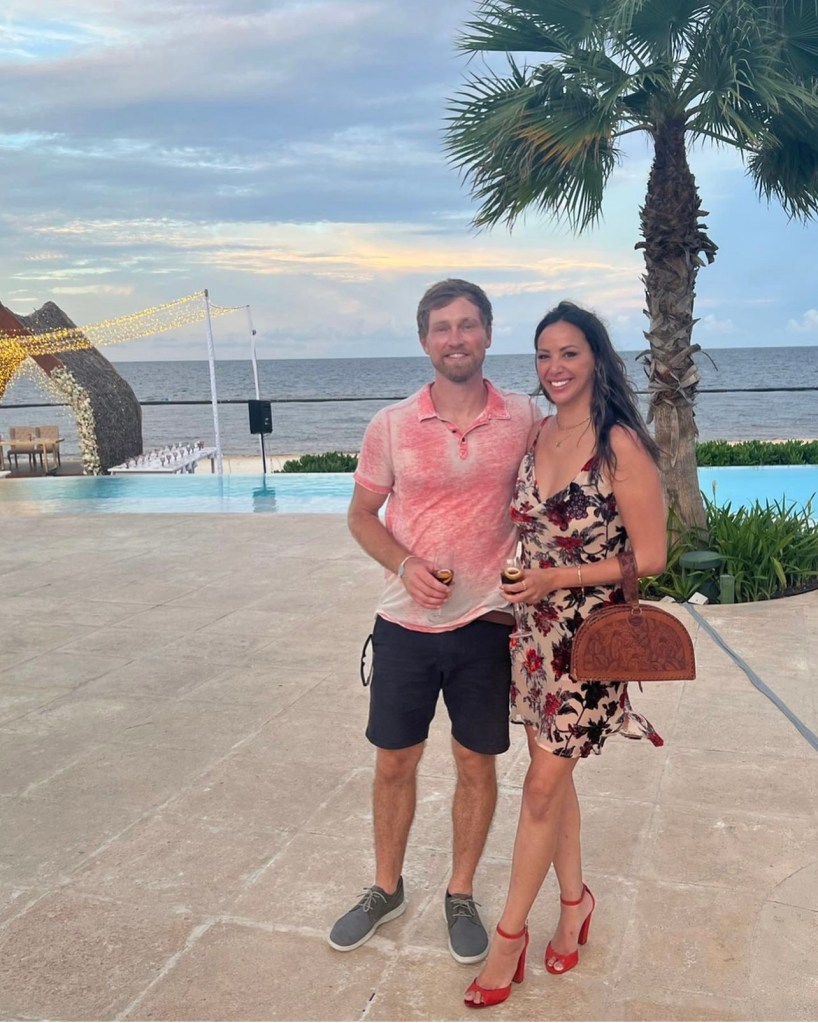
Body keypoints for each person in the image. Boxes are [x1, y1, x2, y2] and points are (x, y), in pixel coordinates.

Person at [328, 279, 539, 965]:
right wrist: (404, 562)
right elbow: (362, 516)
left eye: (469, 325)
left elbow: (566, 474)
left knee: (476, 761)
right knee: (395, 760)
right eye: (443, 327)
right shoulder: (391, 425)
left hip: (486, 622)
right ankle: (386, 887)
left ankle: (459, 889)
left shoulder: (524, 417)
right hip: (404, 625)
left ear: (487, 333)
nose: (456, 338)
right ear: (425, 340)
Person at [464, 301, 667, 1008]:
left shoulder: (620, 446)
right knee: (554, 779)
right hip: (533, 633)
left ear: (596, 359)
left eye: (569, 353)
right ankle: (576, 902)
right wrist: (524, 578)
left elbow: (655, 556)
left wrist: (560, 577)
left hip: (590, 639)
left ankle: (508, 939)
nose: (555, 367)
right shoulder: (538, 433)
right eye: (545, 354)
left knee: (543, 786)